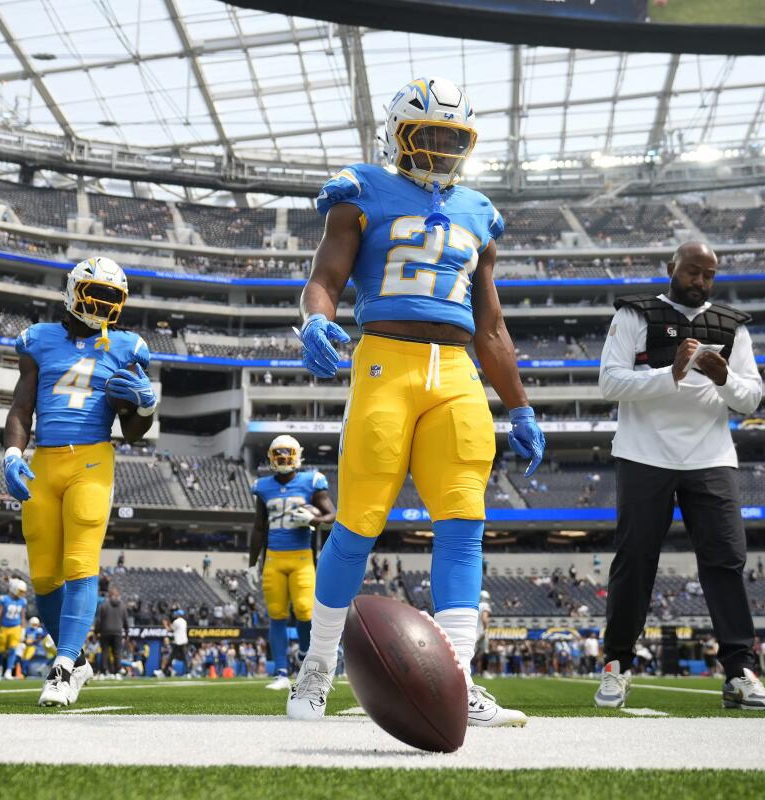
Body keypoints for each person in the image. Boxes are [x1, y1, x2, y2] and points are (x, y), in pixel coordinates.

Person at [287, 76, 543, 729]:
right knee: (358, 522)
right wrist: (314, 321)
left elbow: (491, 327)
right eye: (425, 133)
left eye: (451, 138)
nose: (438, 147)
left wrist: (520, 405)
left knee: (463, 520)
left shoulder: (480, 211)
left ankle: (456, 680)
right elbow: (326, 279)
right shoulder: (362, 189)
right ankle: (316, 669)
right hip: (385, 360)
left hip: (456, 371)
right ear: (397, 134)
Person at [594, 241, 765, 712]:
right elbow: (609, 382)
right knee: (635, 562)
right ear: (671, 268)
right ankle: (617, 666)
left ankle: (739, 672)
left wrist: (723, 377)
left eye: (709, 275)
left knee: (726, 561)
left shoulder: (732, 326)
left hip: (711, 457)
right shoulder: (634, 315)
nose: (700, 281)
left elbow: (751, 398)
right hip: (643, 455)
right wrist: (670, 373)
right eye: (693, 272)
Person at [3, 256, 155, 706]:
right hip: (44, 461)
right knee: (45, 578)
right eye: (97, 293)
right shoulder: (39, 341)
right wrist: (13, 452)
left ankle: (63, 666)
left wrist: (144, 409)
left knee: (81, 564)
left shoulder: (128, 347)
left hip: (92, 458)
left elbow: (131, 431)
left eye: (112, 297)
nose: (103, 304)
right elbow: (20, 407)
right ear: (73, 291)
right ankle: (79, 661)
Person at [247, 435, 336, 690]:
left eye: (288, 455)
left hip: (301, 557)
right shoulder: (263, 486)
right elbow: (258, 527)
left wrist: (312, 519)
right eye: (279, 455)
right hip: (274, 558)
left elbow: (332, 513)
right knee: (276, 614)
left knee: (305, 610)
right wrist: (253, 563)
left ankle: (306, 660)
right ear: (271, 457)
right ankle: (281, 673)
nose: (284, 459)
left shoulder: (311, 481)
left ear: (298, 455)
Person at [0, 578, 29, 680]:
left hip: (16, 628)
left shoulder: (22, 601)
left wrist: (23, 630)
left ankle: (8, 670)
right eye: (20, 591)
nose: (21, 594)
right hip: (4, 628)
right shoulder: (4, 599)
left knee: (13, 649)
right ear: (13, 589)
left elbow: (22, 617)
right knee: (0, 651)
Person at [94, 587, 128, 678]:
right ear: (118, 595)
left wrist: (96, 632)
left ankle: (103, 672)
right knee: (117, 653)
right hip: (118, 632)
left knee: (104, 652)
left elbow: (98, 621)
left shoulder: (103, 605)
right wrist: (127, 633)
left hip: (105, 632)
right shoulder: (122, 606)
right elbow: (126, 621)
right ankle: (117, 672)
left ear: (109, 595)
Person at [168, 609, 189, 677]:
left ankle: (165, 671)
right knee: (184, 658)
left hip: (178, 642)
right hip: (184, 641)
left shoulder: (176, 621)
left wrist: (166, 624)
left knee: (171, 657)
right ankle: (187, 672)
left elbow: (170, 629)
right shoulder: (184, 621)